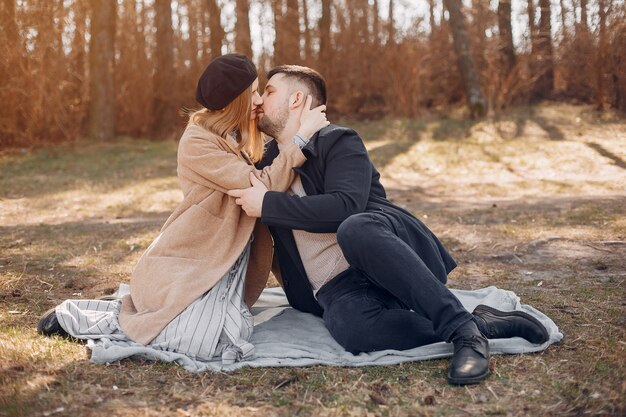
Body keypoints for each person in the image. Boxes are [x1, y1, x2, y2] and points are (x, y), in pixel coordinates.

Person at [228, 65, 550, 384]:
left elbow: (344, 207)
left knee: (354, 228)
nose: (259, 101)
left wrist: (269, 204)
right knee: (350, 329)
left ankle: (465, 335)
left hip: (386, 260)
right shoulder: (267, 166)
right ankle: (479, 323)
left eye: (268, 92)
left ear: (296, 99)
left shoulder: (337, 141)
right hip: (338, 289)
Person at [37, 54, 329, 364]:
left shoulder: (233, 137)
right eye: (254, 92)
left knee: (224, 332)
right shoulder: (198, 141)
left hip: (221, 261)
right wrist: (301, 138)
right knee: (207, 340)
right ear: (236, 99)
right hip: (194, 259)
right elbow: (263, 187)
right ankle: (86, 317)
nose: (258, 100)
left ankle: (137, 308)